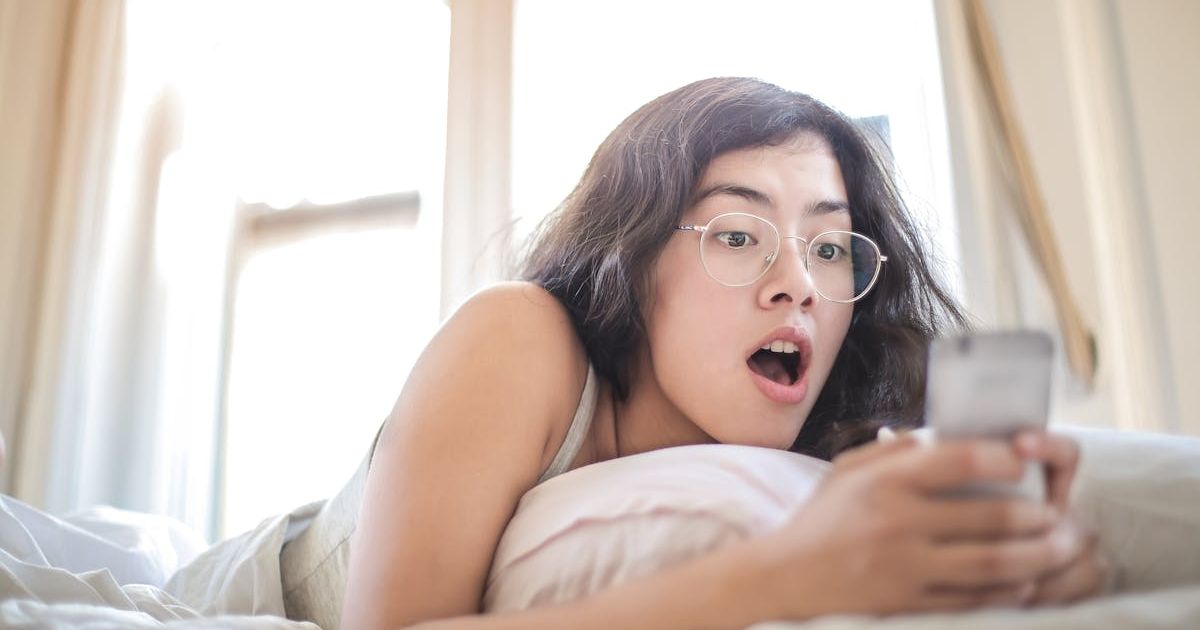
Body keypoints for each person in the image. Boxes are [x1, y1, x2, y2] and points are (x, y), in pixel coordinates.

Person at [337, 77, 1106, 629]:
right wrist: (785, 577)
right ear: (631, 260)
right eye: (738, 236)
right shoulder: (519, 338)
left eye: (831, 247)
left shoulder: (834, 447)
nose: (799, 285)